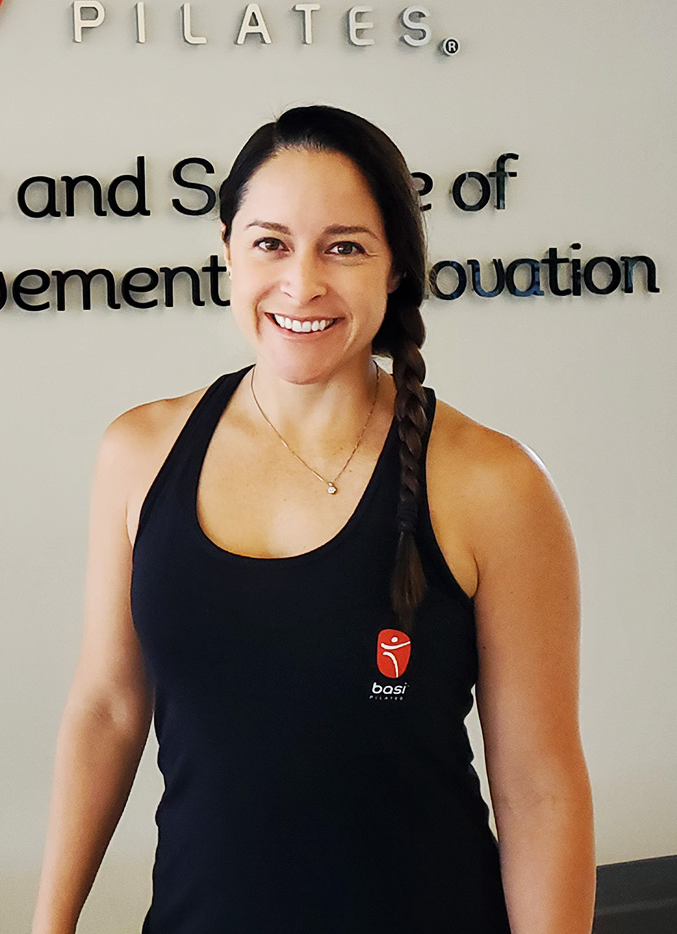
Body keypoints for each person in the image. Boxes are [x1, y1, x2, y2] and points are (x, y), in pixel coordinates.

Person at [30, 104, 596, 934]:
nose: (302, 284)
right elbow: (108, 710)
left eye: (345, 247)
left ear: (395, 267)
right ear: (226, 248)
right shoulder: (138, 452)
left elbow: (539, 787)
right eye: (271, 243)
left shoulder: (494, 482)